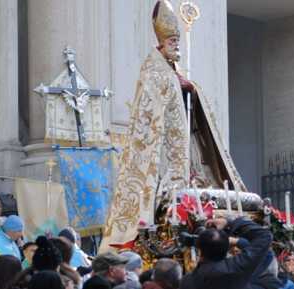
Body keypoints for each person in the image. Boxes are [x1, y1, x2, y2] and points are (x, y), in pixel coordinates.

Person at [100, 0, 248, 250]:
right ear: (160, 44)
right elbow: (149, 111)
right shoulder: (152, 72)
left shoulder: (174, 72)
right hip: (163, 151)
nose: (176, 45)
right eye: (172, 42)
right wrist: (172, 86)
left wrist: (191, 90)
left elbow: (191, 101)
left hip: (184, 144)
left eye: (177, 41)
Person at [180, 216, 272, 289]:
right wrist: (230, 222)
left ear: (199, 250)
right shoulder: (237, 267)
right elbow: (265, 236)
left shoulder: (187, 282)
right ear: (228, 248)